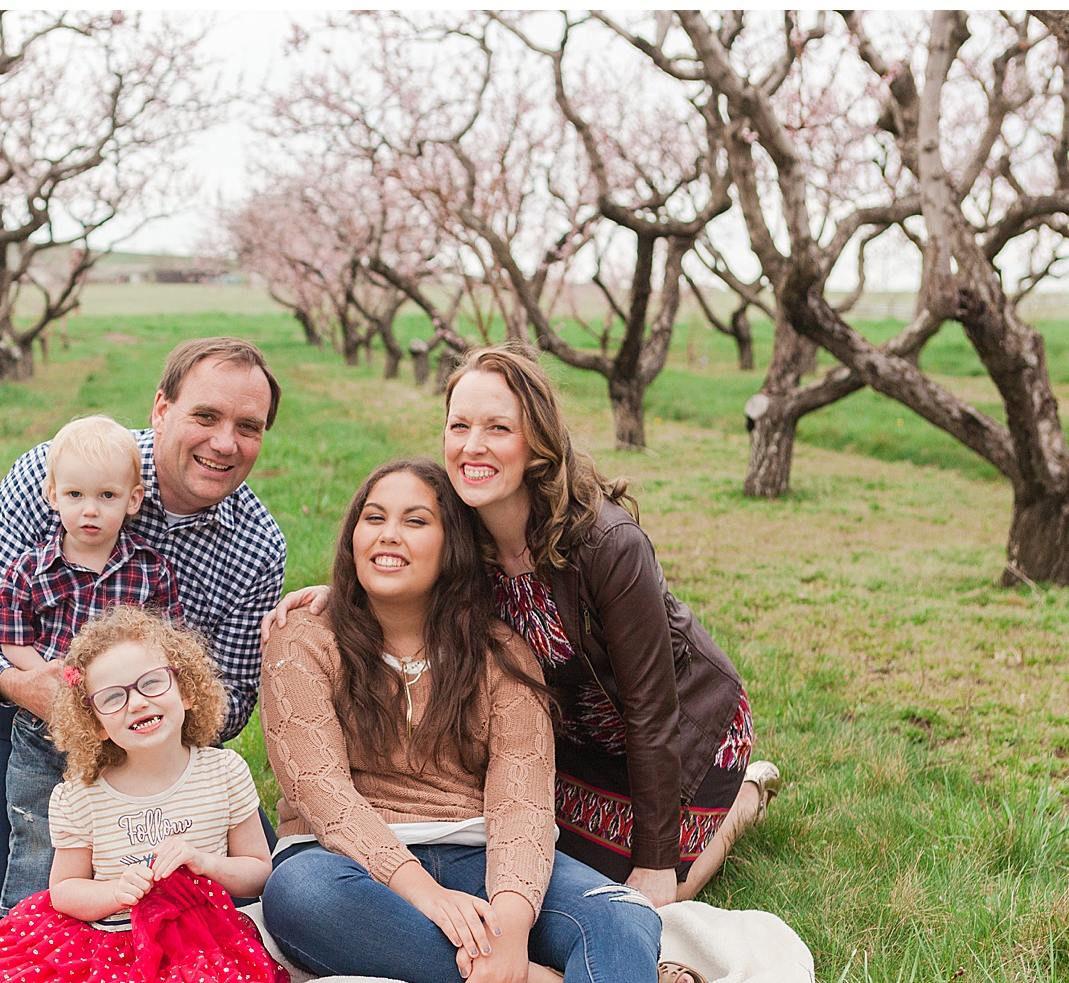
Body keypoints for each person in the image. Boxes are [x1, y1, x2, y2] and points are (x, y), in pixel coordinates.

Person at [259, 458, 780, 983]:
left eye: (415, 521)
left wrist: (507, 922)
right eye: (373, 518)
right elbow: (320, 792)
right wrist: (428, 895)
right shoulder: (304, 639)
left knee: (621, 913)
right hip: (346, 863)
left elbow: (522, 802)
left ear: (454, 546)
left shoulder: (501, 652)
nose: (387, 535)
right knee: (298, 900)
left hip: (477, 846)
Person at [267, 344, 778, 909]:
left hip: (684, 733)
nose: (472, 445)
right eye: (458, 425)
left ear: (536, 442)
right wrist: (348, 594)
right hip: (574, 735)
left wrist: (657, 864)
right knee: (538, 861)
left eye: (497, 428)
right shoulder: (465, 529)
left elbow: (652, 712)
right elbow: (409, 563)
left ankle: (744, 801)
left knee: (646, 894)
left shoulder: (608, 545)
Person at [0, 338, 289, 925]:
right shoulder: (65, 473)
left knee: (248, 908)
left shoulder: (255, 544)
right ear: (161, 409)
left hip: (162, 746)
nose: (225, 443)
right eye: (205, 416)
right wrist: (16, 682)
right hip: (27, 722)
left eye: (248, 427)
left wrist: (145, 753)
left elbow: (233, 699)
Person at [0, 606, 287, 983]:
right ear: (97, 724)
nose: (138, 702)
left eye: (152, 683)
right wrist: (113, 892)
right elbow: (65, 891)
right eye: (113, 697)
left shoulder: (224, 772)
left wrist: (204, 862)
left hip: (195, 940)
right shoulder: (79, 795)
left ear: (186, 691)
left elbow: (259, 870)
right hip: (109, 937)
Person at [0, 414, 183, 914]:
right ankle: (27, 933)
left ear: (133, 501)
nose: (90, 511)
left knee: (111, 832)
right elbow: (13, 639)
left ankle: (104, 929)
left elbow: (164, 643)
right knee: (37, 831)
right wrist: (67, 687)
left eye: (107, 497)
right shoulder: (30, 570)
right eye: (75, 496)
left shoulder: (149, 570)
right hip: (44, 730)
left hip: (121, 731)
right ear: (52, 495)